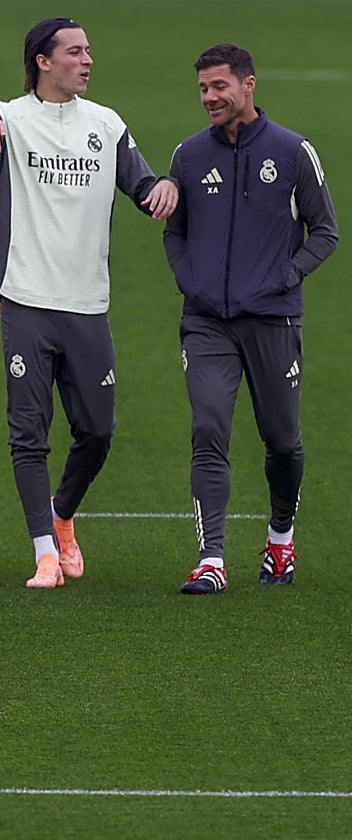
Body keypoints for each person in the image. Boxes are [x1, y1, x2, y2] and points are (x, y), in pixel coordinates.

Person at [0, 18, 178, 589]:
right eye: (75, 52)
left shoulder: (106, 124)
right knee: (28, 433)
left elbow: (140, 183)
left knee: (98, 431)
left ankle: (63, 513)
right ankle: (44, 553)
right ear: (42, 61)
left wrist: (163, 189)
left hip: (87, 304)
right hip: (27, 300)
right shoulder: (11, 116)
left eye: (88, 52)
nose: (87, 60)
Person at [164, 44, 338, 595]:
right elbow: (176, 230)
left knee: (282, 440)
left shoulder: (292, 152)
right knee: (208, 428)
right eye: (202, 89)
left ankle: (279, 539)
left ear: (249, 85)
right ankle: (212, 558)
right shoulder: (189, 156)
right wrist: (189, 279)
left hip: (273, 321)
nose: (210, 98)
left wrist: (286, 278)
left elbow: (325, 232)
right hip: (207, 322)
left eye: (219, 87)